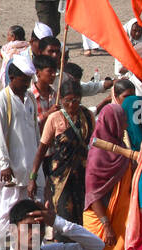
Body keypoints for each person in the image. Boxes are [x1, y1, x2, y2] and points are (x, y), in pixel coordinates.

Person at [79, 80, 140, 250]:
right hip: (101, 218)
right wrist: (106, 225)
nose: (126, 123)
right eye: (122, 120)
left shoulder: (119, 150)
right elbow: (94, 194)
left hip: (119, 219)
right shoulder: (98, 157)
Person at [0, 52, 43, 236]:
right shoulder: (2, 101)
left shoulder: (30, 99)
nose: (27, 83)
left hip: (29, 167)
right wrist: (4, 164)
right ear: (12, 77)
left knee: (29, 209)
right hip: (11, 168)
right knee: (5, 209)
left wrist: (37, 167)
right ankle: (0, 246)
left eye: (29, 79)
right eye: (23, 79)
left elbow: (35, 132)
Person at [30, 79, 94, 224]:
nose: (72, 105)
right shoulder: (54, 118)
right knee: (64, 216)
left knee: (83, 217)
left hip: (83, 174)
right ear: (62, 99)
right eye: (67, 101)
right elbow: (41, 150)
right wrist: (32, 177)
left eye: (76, 100)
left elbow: (93, 144)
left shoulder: (88, 116)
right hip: (61, 176)